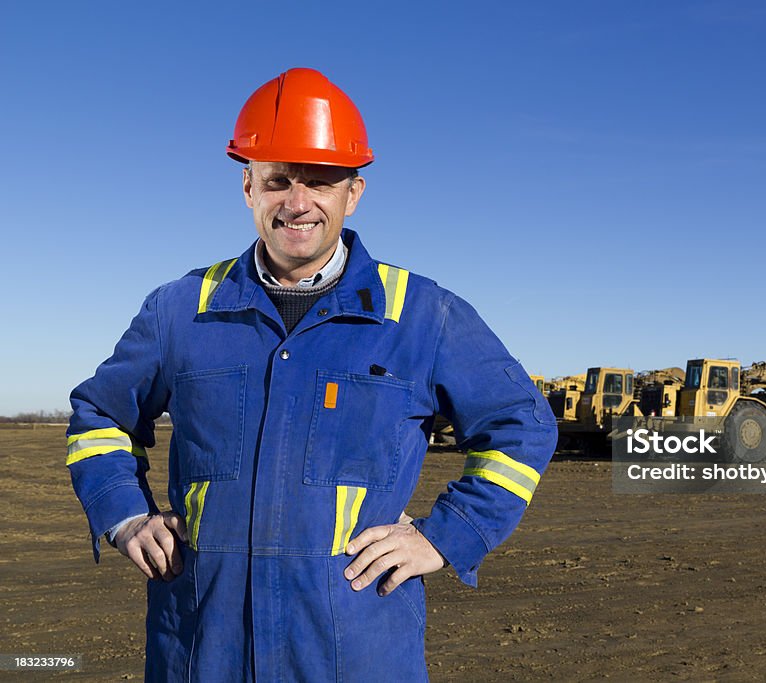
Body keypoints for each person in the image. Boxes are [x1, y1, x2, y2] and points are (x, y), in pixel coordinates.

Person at [66, 67, 558, 681]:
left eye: (320, 181)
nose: (298, 203)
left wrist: (448, 534)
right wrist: (125, 515)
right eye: (278, 181)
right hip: (200, 647)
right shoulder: (180, 309)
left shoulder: (423, 315)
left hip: (355, 649)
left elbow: (522, 425)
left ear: (353, 193)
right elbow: (99, 416)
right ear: (249, 188)